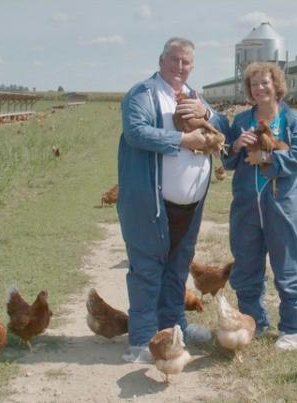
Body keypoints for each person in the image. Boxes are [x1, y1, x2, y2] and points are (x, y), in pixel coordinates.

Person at [117, 37, 227, 363]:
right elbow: (136, 131)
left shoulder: (195, 97)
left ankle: (175, 326)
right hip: (151, 200)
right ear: (161, 60)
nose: (180, 67)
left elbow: (223, 126)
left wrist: (206, 111)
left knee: (178, 269)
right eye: (174, 60)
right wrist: (183, 139)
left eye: (186, 62)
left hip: (190, 203)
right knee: (147, 268)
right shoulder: (143, 94)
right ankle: (141, 340)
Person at [222, 62, 297, 350]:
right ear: (248, 90)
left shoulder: (296, 122)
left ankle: (294, 327)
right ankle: (254, 323)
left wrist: (267, 159)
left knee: (289, 264)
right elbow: (226, 160)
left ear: (277, 85)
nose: (260, 88)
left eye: (265, 82)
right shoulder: (240, 121)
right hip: (247, 205)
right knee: (246, 264)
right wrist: (237, 145)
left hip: (282, 204)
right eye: (254, 84)